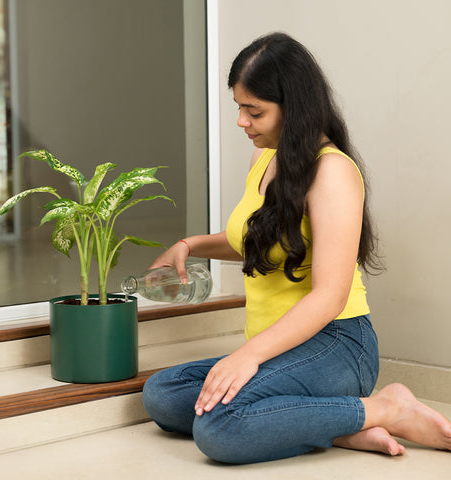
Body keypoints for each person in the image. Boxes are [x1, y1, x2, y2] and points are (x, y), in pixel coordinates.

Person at [142, 32, 451, 464]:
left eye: (255, 111)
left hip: (336, 344)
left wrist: (247, 356)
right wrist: (189, 244)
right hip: (277, 347)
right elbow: (261, 241)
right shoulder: (264, 158)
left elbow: (329, 297)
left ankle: (386, 407)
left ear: (295, 106)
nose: (242, 122)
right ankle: (341, 426)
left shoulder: (332, 173)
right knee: (164, 395)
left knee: (219, 428)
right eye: (239, 108)